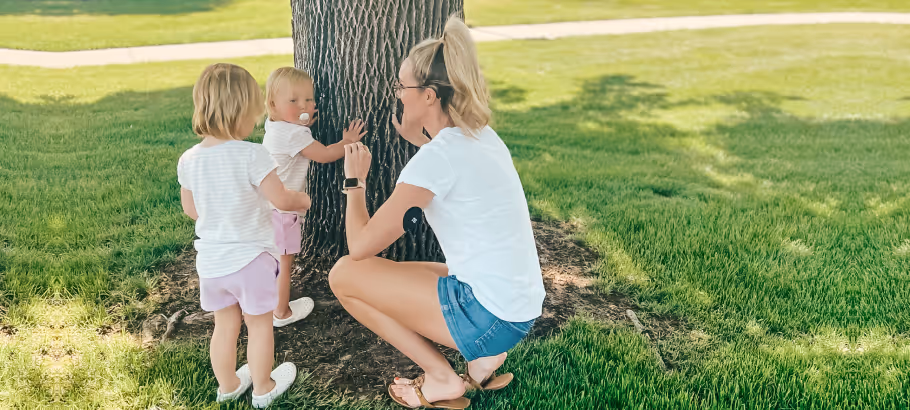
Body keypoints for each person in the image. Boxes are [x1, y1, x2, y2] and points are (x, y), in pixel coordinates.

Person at [328, 16, 546, 409]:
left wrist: (354, 182)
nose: (398, 95)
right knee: (428, 271)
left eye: (402, 86)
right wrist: (424, 145)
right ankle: (484, 360)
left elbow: (360, 245)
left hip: (491, 317)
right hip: (519, 306)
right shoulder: (480, 136)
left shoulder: (436, 160)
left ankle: (443, 377)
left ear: (429, 95)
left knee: (344, 274)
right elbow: (449, 172)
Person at [177, 63, 307, 408]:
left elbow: (192, 210)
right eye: (253, 112)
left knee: (225, 325)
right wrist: (303, 199)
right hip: (251, 260)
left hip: (212, 264)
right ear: (239, 113)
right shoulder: (253, 154)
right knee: (259, 325)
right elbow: (280, 198)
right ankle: (263, 388)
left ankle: (229, 385)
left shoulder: (188, 160)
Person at [262, 66, 366, 327]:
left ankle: (267, 300)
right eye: (294, 101)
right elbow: (325, 155)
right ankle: (281, 313)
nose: (304, 105)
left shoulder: (275, 125)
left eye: (309, 99)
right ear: (273, 104)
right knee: (285, 263)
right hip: (284, 212)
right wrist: (347, 142)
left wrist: (301, 121)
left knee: (274, 259)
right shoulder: (295, 134)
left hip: (267, 207)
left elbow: (292, 135)